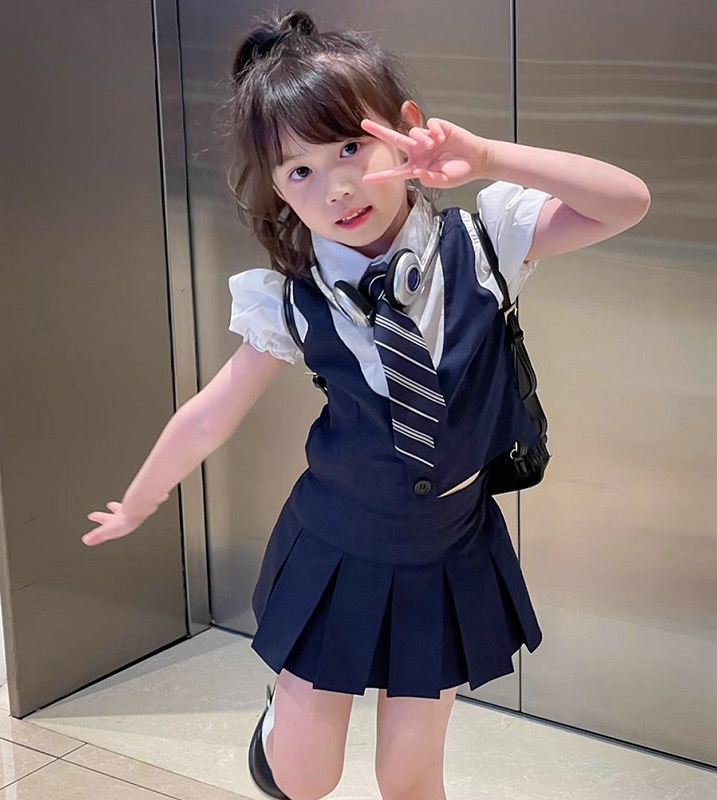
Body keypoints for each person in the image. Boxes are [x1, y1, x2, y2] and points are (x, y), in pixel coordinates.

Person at [81, 9, 650, 800]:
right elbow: (212, 410)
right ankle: (279, 722)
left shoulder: (485, 243)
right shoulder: (292, 300)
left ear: (405, 133)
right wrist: (140, 501)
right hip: (336, 544)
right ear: (277, 190)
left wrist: (487, 157)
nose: (337, 187)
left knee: (409, 779)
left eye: (350, 146)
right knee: (303, 778)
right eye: (299, 172)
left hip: (447, 549)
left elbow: (626, 202)